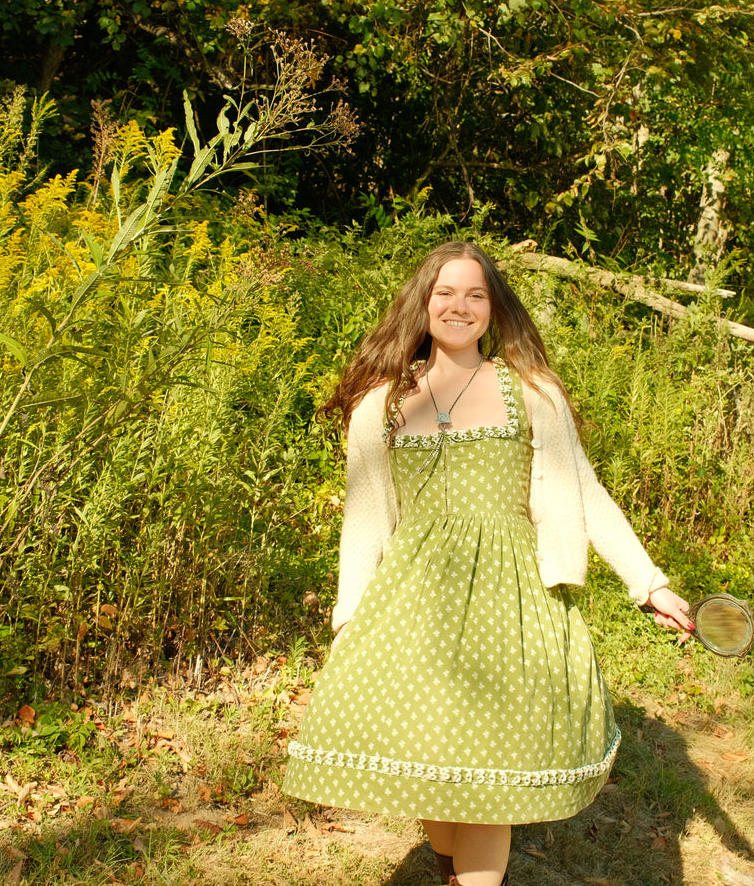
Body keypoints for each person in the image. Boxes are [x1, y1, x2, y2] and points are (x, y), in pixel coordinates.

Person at [281, 240, 694, 886]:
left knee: (485, 778)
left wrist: (648, 582)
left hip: (512, 595)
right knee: (433, 760)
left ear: (493, 308)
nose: (458, 305)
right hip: (414, 598)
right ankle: (451, 869)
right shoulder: (381, 401)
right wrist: (348, 616)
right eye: (445, 291)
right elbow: (362, 517)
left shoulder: (529, 391)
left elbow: (584, 491)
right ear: (422, 302)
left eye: (475, 294)